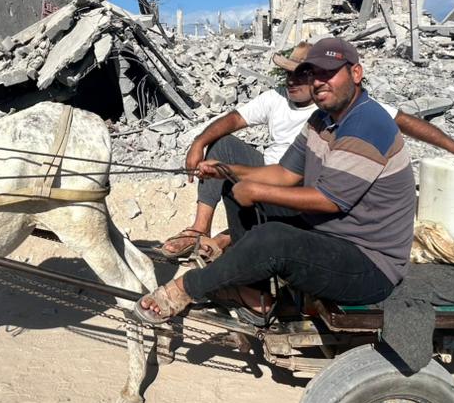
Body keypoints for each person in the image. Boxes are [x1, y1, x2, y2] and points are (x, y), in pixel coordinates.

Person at [136, 37, 418, 324]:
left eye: (329, 73)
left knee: (274, 239)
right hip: (329, 233)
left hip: (368, 262)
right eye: (313, 74)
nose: (319, 82)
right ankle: (254, 294)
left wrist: (257, 189)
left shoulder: (366, 123)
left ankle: (184, 289)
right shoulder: (322, 119)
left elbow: (329, 201)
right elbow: (285, 173)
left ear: (355, 73)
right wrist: (227, 170)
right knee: (237, 189)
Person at [157, 41, 454, 261]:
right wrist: (199, 143)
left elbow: (406, 122)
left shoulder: (348, 109)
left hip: (308, 186)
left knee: (256, 192)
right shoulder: (277, 98)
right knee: (223, 150)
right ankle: (199, 230)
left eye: (303, 76)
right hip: (276, 171)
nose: (294, 83)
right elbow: (233, 119)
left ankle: (240, 255)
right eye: (288, 76)